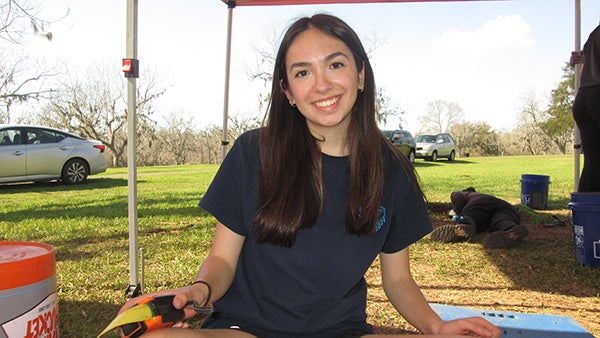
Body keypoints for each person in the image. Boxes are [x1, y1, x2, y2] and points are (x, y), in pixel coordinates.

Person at [118, 14, 501, 338]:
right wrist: (198, 292)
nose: (322, 85)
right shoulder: (253, 153)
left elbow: (398, 280)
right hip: (246, 329)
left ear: (361, 75)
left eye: (335, 65)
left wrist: (437, 328)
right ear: (287, 91)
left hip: (341, 331)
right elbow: (223, 259)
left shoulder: (392, 169)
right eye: (303, 72)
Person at [430, 187, 528, 249]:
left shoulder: (465, 193)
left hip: (479, 203)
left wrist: (457, 212)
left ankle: (463, 226)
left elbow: (458, 197)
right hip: (506, 207)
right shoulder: (483, 195)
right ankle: (510, 230)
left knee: (470, 215)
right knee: (503, 219)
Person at [571, 23, 600, 192]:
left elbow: (580, 60)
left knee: (593, 161)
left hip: (584, 98)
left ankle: (585, 212)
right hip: (597, 94)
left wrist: (578, 60)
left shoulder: (594, 34)